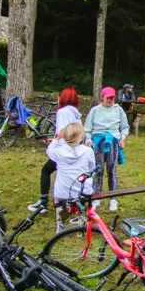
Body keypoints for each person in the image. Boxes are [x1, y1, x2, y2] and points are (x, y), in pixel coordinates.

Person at [28, 86, 83, 219]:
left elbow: (63, 132)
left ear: (62, 98)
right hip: (77, 149)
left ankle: (43, 204)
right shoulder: (75, 112)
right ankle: (75, 208)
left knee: (46, 171)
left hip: (64, 151)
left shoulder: (63, 112)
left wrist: (55, 143)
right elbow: (72, 132)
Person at [44, 123, 96, 232]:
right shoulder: (88, 151)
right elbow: (92, 170)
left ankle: (60, 225)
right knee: (86, 191)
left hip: (62, 192)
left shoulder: (59, 152)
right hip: (82, 192)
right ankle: (82, 224)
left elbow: (49, 149)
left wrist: (57, 138)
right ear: (82, 136)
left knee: (57, 197)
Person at [84, 87, 129, 193]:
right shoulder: (95, 110)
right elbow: (87, 128)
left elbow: (124, 126)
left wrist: (123, 138)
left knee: (111, 170)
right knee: (98, 170)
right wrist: (89, 140)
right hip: (98, 141)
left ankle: (112, 197)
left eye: (112, 98)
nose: (110, 100)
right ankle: (96, 196)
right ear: (102, 97)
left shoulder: (118, 110)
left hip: (113, 140)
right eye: (108, 98)